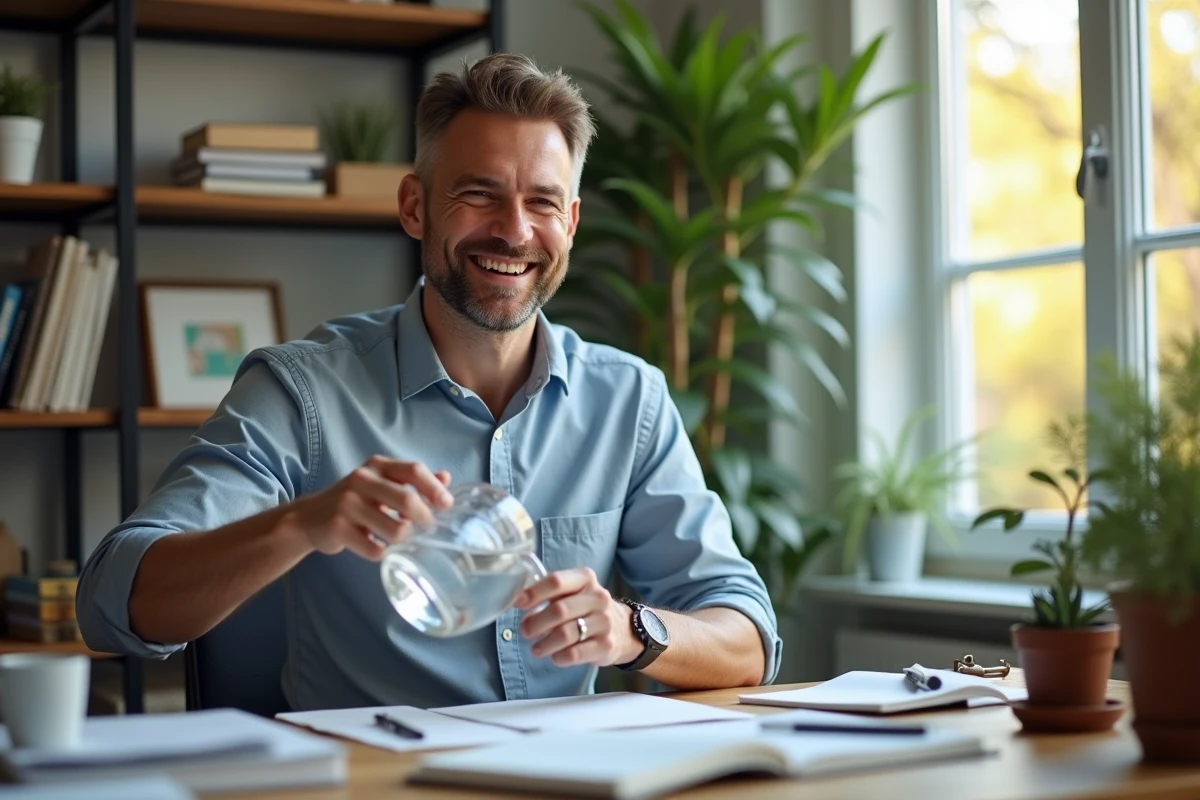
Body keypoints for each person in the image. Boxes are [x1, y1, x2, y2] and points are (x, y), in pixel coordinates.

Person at [77, 53, 782, 711]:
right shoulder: (302, 391)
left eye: (542, 203)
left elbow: (750, 637)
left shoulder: (630, 402)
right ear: (414, 206)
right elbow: (111, 603)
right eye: (480, 194)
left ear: (569, 222)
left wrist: (635, 631)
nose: (514, 232)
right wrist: (302, 522)